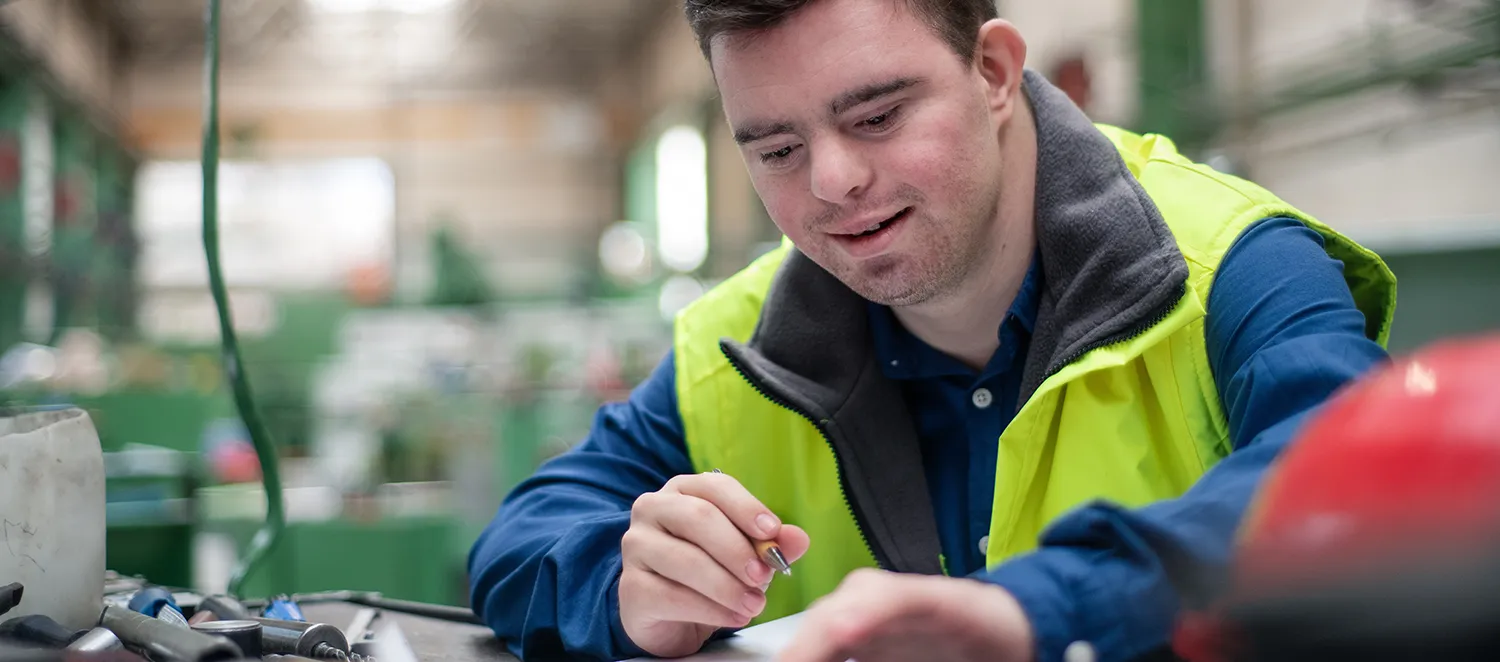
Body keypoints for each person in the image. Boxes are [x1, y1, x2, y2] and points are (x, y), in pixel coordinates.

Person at [468, 0, 1397, 660]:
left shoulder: (1231, 269)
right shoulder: (740, 346)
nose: (832, 181)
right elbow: (519, 540)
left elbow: (1356, 495)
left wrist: (1036, 613)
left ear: (993, 71)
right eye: (778, 149)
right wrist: (624, 592)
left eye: (876, 115)